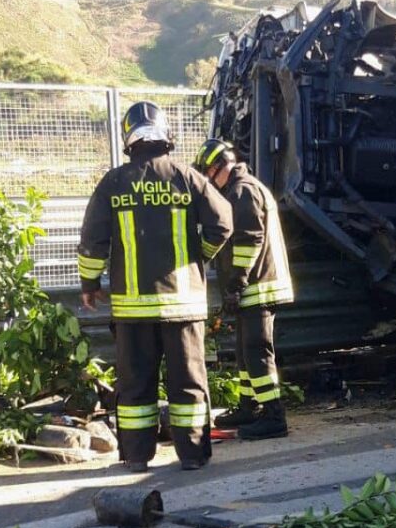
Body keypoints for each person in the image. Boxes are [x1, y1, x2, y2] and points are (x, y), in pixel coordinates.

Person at [76, 101, 232, 472]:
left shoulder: (113, 182)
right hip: (183, 307)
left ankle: (136, 456)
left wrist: (89, 282)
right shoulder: (187, 178)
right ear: (166, 135)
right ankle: (192, 455)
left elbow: (92, 240)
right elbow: (222, 222)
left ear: (128, 138)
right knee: (188, 384)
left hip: (133, 311)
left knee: (135, 387)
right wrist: (200, 257)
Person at [195, 137, 295, 440]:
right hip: (252, 286)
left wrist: (237, 282)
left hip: (258, 286)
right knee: (243, 351)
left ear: (218, 167)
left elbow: (250, 238)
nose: (209, 181)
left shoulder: (242, 190)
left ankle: (274, 416)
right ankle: (249, 406)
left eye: (208, 174)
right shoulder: (240, 188)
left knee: (256, 350)